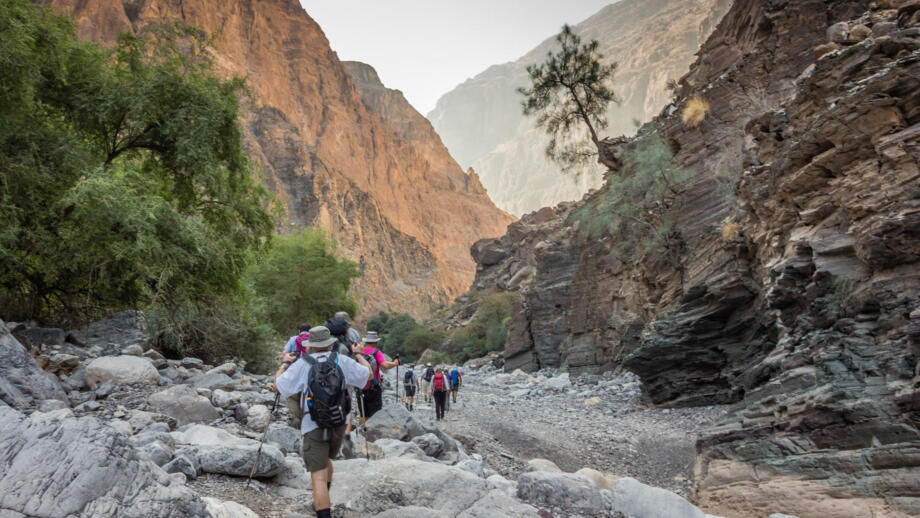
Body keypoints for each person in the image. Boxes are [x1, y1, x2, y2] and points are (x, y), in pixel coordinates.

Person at [274, 326, 372, 518]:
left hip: (313, 424)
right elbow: (368, 375)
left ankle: (322, 506)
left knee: (317, 475)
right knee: (327, 459)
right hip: (339, 422)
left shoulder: (303, 364)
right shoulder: (341, 360)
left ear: (310, 346)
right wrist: (359, 355)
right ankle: (324, 495)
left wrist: (284, 364)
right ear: (329, 344)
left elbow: (279, 386)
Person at [356, 331, 399, 424]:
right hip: (373, 386)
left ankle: (361, 431)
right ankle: (372, 432)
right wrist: (395, 363)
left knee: (363, 414)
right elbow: (385, 365)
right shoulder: (376, 352)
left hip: (360, 386)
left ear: (366, 341)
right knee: (375, 413)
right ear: (375, 342)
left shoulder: (359, 352)